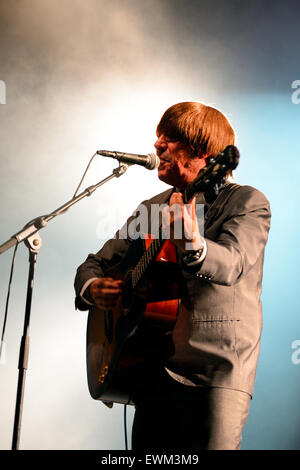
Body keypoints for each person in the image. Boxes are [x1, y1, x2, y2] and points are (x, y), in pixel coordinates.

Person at [74, 102, 271, 450]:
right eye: (158, 137)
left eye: (170, 138)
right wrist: (94, 289)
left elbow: (233, 263)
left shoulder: (245, 202)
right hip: (151, 369)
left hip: (214, 372)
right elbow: (95, 264)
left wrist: (193, 243)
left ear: (203, 151)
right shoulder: (152, 208)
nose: (157, 145)